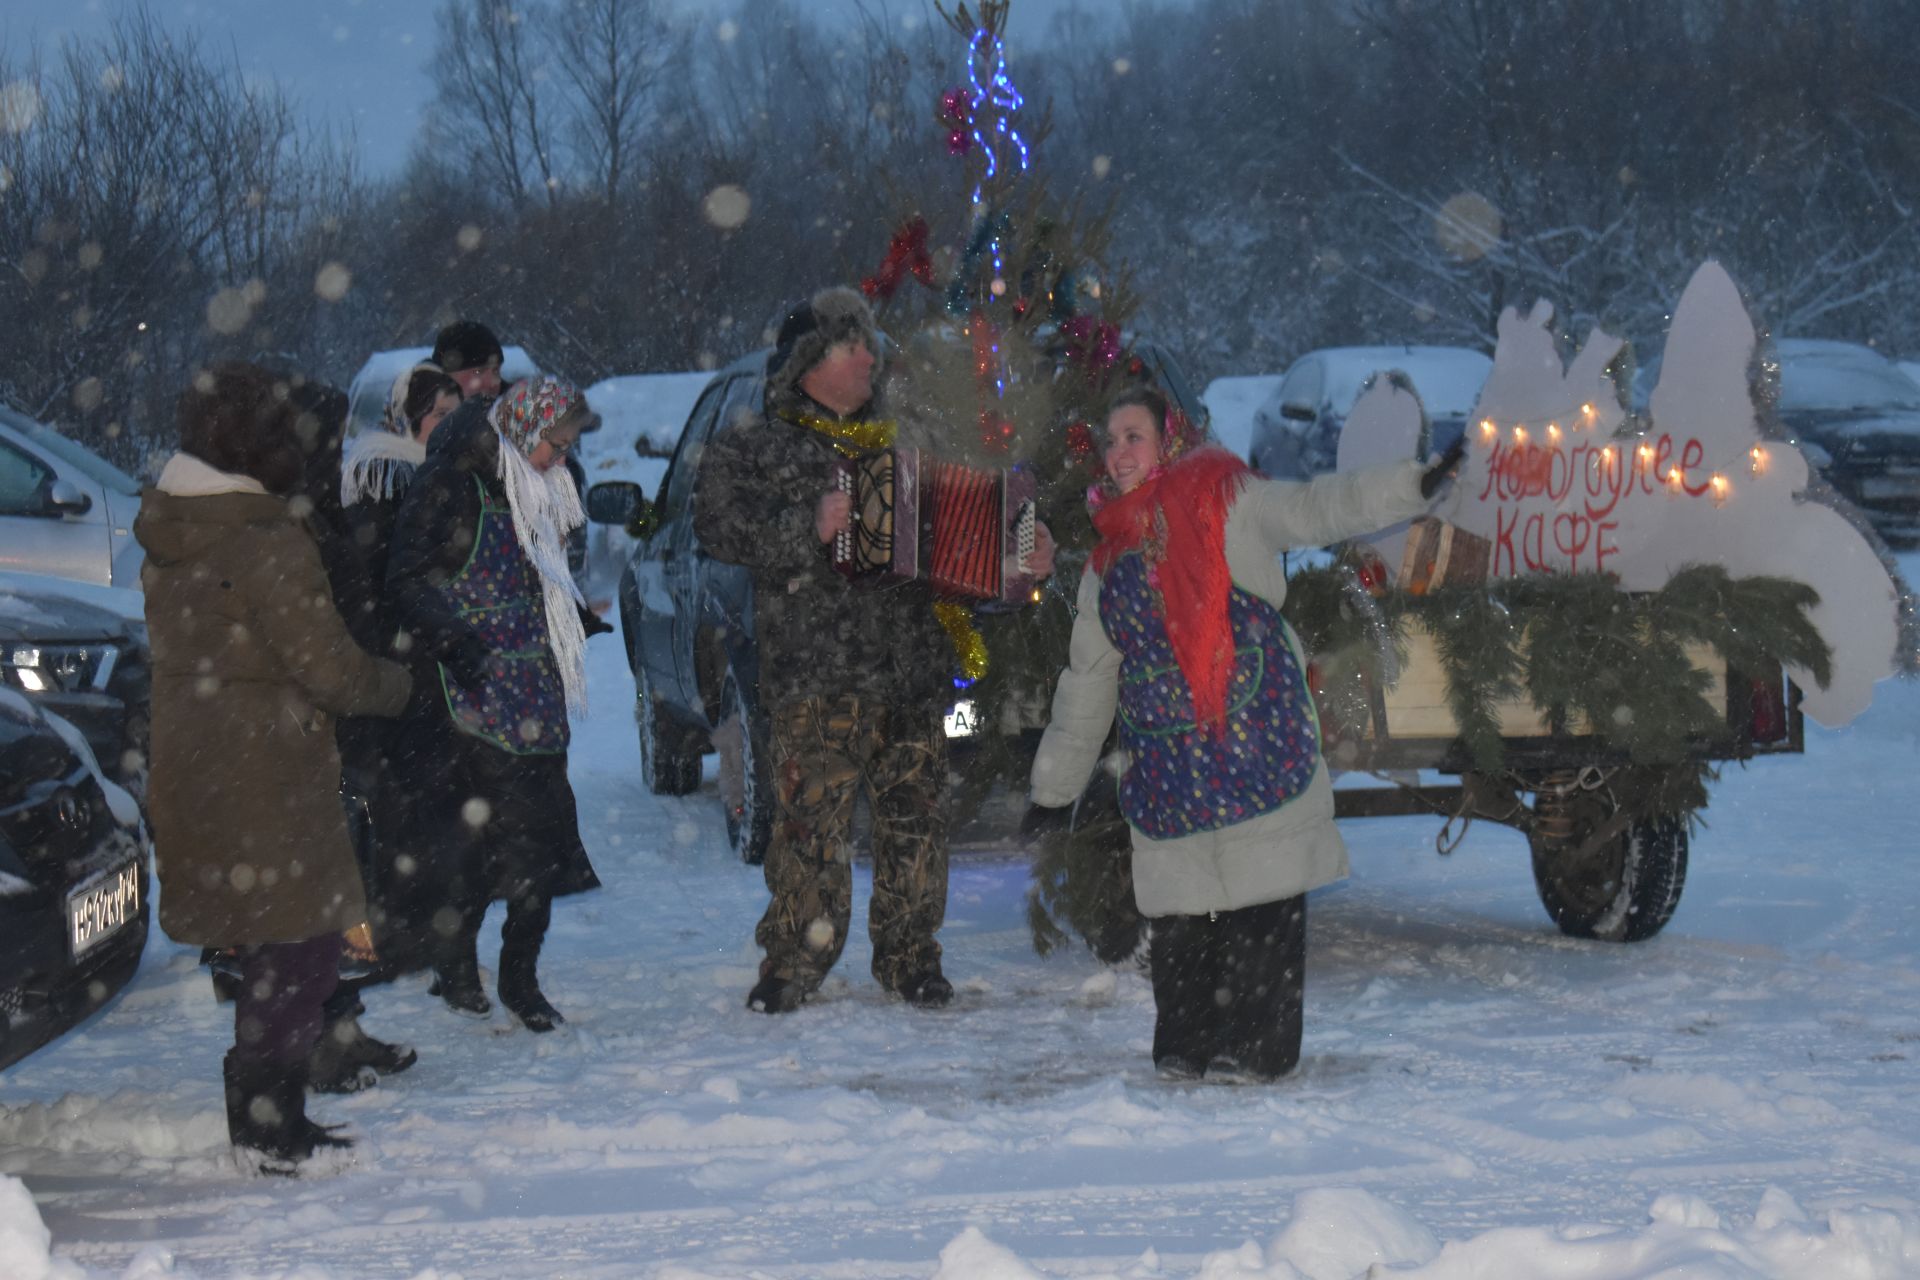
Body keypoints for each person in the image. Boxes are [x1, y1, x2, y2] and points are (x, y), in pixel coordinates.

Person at [1022, 386, 1461, 1081]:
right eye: (1110, 440)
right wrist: (1053, 792)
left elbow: (1322, 507)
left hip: (1255, 742)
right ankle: (1185, 1044)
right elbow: (1086, 685)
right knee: (1182, 918)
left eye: (1134, 435)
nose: (1118, 452)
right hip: (1168, 764)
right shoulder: (1108, 565)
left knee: (1261, 904)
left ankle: (1256, 1049)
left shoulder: (1231, 501)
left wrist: (1416, 483)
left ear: (1169, 441)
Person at [692, 286, 1055, 1014]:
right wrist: (808, 525)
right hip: (816, 675)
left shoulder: (910, 437)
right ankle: (795, 961)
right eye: (852, 344)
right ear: (808, 361)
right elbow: (714, 528)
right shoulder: (755, 444)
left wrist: (1020, 561)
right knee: (810, 832)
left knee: (916, 824)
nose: (869, 356)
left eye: (869, 344)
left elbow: (964, 541)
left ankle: (912, 957)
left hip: (911, 670)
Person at [136, 361, 413, 1170]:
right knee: (299, 946)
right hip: (268, 764)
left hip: (197, 755)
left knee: (264, 941)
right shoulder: (265, 540)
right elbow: (327, 666)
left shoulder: (174, 528)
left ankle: (264, 1116)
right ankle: (269, 1121)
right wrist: (400, 687)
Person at [384, 374, 607, 1032]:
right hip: (472, 696)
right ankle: (461, 965)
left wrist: (571, 618)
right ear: (523, 432)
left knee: (536, 843)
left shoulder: (542, 488)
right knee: (484, 846)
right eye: (556, 445)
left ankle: (518, 976)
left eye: (568, 447)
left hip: (534, 686)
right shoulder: (451, 485)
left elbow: (542, 575)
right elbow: (406, 576)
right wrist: (452, 638)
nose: (562, 459)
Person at [333, 364, 463, 975]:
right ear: (406, 419)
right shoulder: (384, 474)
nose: (448, 426)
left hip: (421, 661)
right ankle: (388, 937)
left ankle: (414, 933)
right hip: (394, 662)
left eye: (454, 414)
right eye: (438, 414)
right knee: (393, 806)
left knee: (422, 805)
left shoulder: (433, 474)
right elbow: (379, 578)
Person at [432, 320, 506, 401]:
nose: (493, 383)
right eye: (478, 371)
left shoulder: (514, 407)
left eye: (496, 371)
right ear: (447, 377)